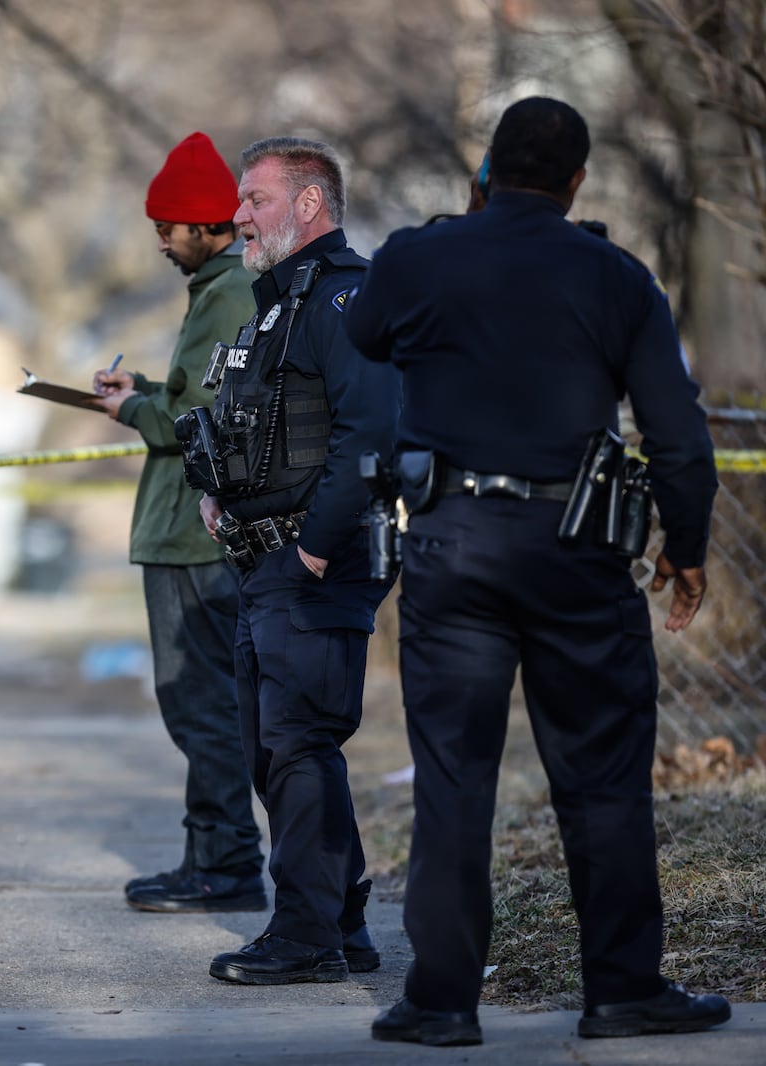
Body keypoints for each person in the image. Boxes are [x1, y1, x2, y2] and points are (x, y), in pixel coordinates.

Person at [345, 97, 729, 1046]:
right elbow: (678, 437)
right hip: (576, 552)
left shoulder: (416, 258)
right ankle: (622, 991)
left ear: (484, 171)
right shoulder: (617, 276)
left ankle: (440, 1003)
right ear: (577, 182)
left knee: (452, 775)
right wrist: (684, 547)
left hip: (451, 544)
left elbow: (365, 339)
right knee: (601, 774)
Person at [189, 136, 399, 985]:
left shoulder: (346, 299)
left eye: (256, 199)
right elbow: (272, 433)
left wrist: (312, 547)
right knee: (274, 747)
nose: (238, 215)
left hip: (319, 563)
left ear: (310, 204)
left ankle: (306, 935)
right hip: (269, 563)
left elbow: (370, 436)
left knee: (299, 744)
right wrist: (222, 494)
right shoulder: (281, 302)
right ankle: (341, 923)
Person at [92, 131, 267, 912]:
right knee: (205, 699)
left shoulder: (228, 291)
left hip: (191, 532)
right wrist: (148, 387)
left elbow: (195, 418)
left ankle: (225, 868)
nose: (162, 242)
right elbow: (199, 391)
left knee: (198, 699)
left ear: (205, 225)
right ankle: (212, 857)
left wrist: (130, 406)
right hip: (197, 530)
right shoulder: (227, 290)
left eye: (169, 228)